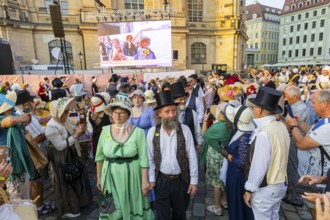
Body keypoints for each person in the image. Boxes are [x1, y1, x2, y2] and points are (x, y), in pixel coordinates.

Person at [95, 99, 154, 219]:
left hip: (132, 176)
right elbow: (99, 157)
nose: (118, 115)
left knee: (132, 204)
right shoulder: (105, 130)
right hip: (110, 176)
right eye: (115, 112)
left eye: (122, 112)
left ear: (128, 114)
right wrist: (99, 177)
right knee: (113, 207)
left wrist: (144, 181)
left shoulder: (138, 132)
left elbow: (144, 159)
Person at [147, 90, 198, 220]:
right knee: (162, 216)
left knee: (180, 215)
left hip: (181, 181)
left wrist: (193, 181)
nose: (172, 115)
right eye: (167, 112)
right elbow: (150, 157)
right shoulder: (153, 132)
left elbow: (192, 157)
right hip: (161, 181)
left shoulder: (185, 130)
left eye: (174, 111)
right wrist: (152, 179)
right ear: (159, 114)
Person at [244, 86, 290, 220]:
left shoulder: (265, 133)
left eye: (253, 107)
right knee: (274, 216)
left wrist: (249, 189)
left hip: (267, 187)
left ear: (259, 109)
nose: (252, 110)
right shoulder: (280, 126)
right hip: (280, 184)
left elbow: (259, 165)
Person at [45, 97, 93, 218]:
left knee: (76, 178)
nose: (67, 113)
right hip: (61, 158)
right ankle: (69, 209)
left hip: (71, 154)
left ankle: (80, 203)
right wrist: (76, 134)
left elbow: (74, 134)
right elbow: (60, 146)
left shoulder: (64, 120)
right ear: (57, 112)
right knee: (66, 182)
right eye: (65, 111)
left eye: (67, 110)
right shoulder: (51, 127)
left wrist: (80, 130)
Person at [15, 90, 55, 215]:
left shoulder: (27, 114)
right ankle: (38, 207)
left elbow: (41, 120)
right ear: (23, 104)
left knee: (38, 180)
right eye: (30, 102)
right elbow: (35, 139)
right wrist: (50, 132)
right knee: (35, 181)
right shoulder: (21, 118)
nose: (33, 104)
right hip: (32, 154)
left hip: (37, 152)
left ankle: (40, 203)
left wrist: (55, 114)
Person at [286, 89, 330, 177]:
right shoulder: (324, 120)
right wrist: (300, 123)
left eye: (313, 102)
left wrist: (293, 126)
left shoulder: (327, 127)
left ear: (324, 103)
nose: (311, 105)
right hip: (309, 175)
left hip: (316, 180)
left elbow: (301, 144)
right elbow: (311, 131)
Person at [0, 91, 35, 199]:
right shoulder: (4, 118)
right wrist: (21, 118)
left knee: (24, 195)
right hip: (8, 166)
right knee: (15, 198)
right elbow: (9, 121)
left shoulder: (13, 114)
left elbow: (19, 128)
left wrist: (24, 124)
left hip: (20, 161)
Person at [200, 102, 232, 216]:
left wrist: (204, 120)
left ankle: (217, 207)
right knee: (224, 179)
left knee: (217, 182)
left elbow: (204, 134)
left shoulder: (218, 126)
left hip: (216, 156)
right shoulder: (231, 124)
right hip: (225, 155)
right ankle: (225, 201)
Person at [223, 104, 255, 220]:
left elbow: (242, 162)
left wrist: (228, 156)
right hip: (235, 173)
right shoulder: (243, 132)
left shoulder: (244, 137)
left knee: (237, 204)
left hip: (237, 176)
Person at [282, 86, 311, 207]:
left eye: (287, 97)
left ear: (295, 97)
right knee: (290, 167)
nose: (285, 99)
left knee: (292, 168)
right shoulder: (296, 106)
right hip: (294, 138)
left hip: (295, 140)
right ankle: (290, 191)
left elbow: (291, 126)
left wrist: (280, 118)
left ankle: (294, 195)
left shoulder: (299, 108)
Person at [170, 81, 203, 152]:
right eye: (180, 99)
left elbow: (197, 130)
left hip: (190, 147)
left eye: (184, 98)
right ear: (173, 101)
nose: (183, 101)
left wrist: (199, 143)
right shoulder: (170, 115)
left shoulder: (192, 113)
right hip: (175, 148)